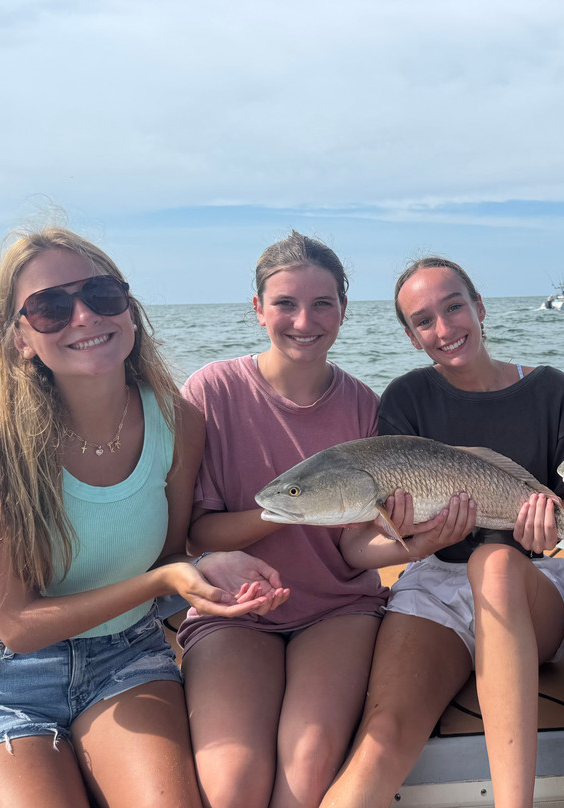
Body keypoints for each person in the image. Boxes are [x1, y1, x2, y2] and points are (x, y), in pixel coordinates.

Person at [0, 227, 286, 807]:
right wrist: (163, 583)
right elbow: (18, 626)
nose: (83, 315)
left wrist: (208, 567)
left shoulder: (178, 420)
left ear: (128, 310)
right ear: (20, 339)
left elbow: (170, 554)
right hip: (0, 672)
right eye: (50, 308)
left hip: (124, 652)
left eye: (102, 294)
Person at [321, 257, 564, 808]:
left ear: (480, 307)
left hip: (529, 580)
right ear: (410, 335)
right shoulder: (404, 399)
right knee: (383, 734)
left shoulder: (552, 389)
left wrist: (548, 526)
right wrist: (413, 534)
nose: (443, 329)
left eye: (453, 308)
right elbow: (375, 535)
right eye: (423, 321)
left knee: (491, 562)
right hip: (434, 581)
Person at [178, 231, 392, 808]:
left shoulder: (365, 406)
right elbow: (198, 532)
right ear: (257, 310)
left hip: (336, 608)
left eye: (323, 303)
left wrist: (415, 540)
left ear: (344, 311)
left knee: (307, 765)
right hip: (233, 609)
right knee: (231, 783)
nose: (305, 320)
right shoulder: (211, 390)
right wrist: (294, 508)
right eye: (285, 304)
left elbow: (355, 548)